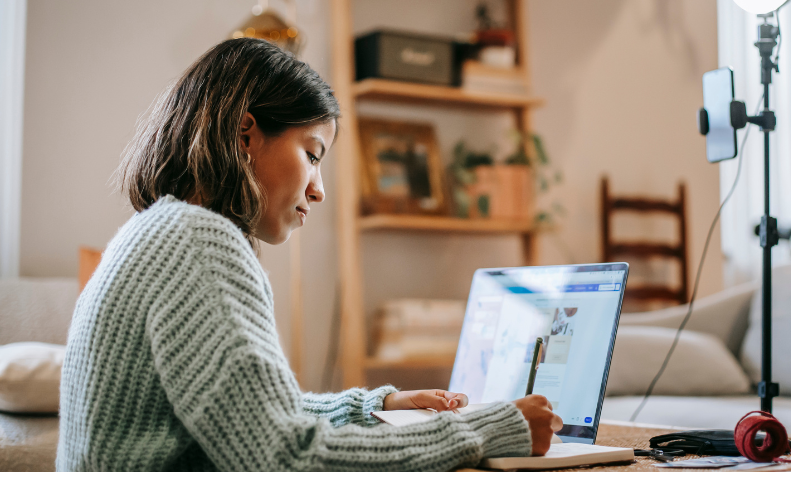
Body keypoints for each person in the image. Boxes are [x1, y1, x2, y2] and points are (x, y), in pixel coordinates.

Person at [56, 38, 561, 472]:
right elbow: (285, 459)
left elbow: (246, 416)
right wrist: (487, 429)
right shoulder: (198, 244)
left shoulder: (156, 231)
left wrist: (374, 406)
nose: (318, 190)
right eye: (312, 154)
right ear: (244, 133)